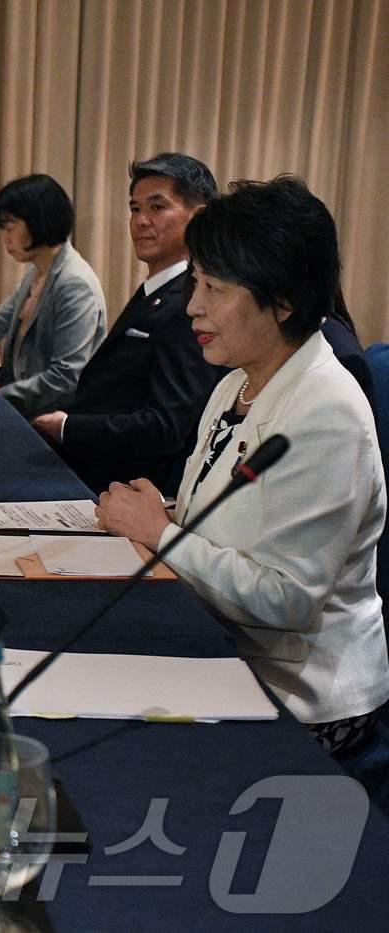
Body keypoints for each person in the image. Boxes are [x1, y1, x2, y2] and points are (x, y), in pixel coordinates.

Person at [97, 177, 389, 783]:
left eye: (214, 288)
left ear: (282, 301)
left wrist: (161, 534)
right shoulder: (237, 383)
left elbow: (289, 600)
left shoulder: (327, 411)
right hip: (224, 650)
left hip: (305, 698)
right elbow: (230, 519)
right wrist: (170, 513)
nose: (192, 306)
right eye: (195, 282)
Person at [31, 153, 224, 494]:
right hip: (94, 469)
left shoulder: (191, 302)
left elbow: (167, 424)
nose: (141, 221)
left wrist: (68, 428)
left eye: (157, 207)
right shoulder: (159, 290)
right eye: (135, 209)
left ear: (199, 216)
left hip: (127, 487)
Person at [0, 174, 106, 417]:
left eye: (10, 227)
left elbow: (65, 377)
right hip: (26, 409)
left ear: (38, 222)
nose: (5, 238)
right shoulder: (37, 272)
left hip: (53, 419)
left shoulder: (75, 284)